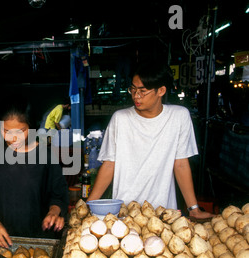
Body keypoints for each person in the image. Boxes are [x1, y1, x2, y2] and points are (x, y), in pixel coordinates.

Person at [87, 61, 215, 221]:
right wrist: (88, 207)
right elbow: (109, 165)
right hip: (125, 213)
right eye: (133, 89)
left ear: (161, 90)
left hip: (163, 214)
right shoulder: (120, 119)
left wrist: (194, 209)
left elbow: (181, 164)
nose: (136, 96)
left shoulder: (179, 117)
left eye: (142, 91)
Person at [0, 97, 69, 248]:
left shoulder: (46, 156)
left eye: (21, 131)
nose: (13, 138)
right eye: (6, 131)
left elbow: (58, 195)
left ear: (31, 126)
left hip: (38, 242)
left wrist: (54, 212)